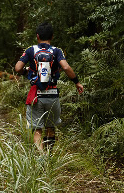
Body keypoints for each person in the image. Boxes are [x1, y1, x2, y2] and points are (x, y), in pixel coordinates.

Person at [15, 22, 84, 151]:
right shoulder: (57, 51)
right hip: (52, 94)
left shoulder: (31, 50)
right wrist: (77, 82)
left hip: (36, 96)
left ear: (37, 36)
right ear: (52, 36)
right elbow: (66, 67)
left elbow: (18, 68)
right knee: (50, 127)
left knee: (37, 129)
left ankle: (42, 158)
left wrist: (27, 72)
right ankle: (49, 155)